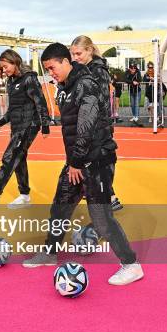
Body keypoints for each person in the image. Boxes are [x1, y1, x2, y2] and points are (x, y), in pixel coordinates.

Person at [24, 42, 143, 286]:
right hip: (77, 161)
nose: (50, 73)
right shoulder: (65, 87)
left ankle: (131, 265)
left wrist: (76, 162)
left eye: (52, 67)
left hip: (96, 160)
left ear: (66, 61)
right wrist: (74, 162)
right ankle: (49, 253)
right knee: (60, 206)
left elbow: (86, 127)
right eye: (47, 70)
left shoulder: (86, 84)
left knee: (101, 217)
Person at [0, 49, 50, 208]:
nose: (4, 70)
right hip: (16, 126)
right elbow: (13, 108)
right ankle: (24, 196)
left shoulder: (29, 79)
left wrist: (45, 125)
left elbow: (40, 101)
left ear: (14, 62)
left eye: (5, 66)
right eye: (1, 68)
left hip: (29, 125)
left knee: (10, 156)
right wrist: (2, 120)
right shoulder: (11, 81)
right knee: (19, 159)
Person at [70, 35, 122, 211]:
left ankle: (105, 202)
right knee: (90, 168)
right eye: (73, 54)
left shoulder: (97, 71)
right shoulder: (87, 70)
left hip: (97, 128)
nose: (75, 58)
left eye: (78, 53)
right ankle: (109, 198)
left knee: (90, 166)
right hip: (92, 127)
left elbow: (95, 103)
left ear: (89, 51)